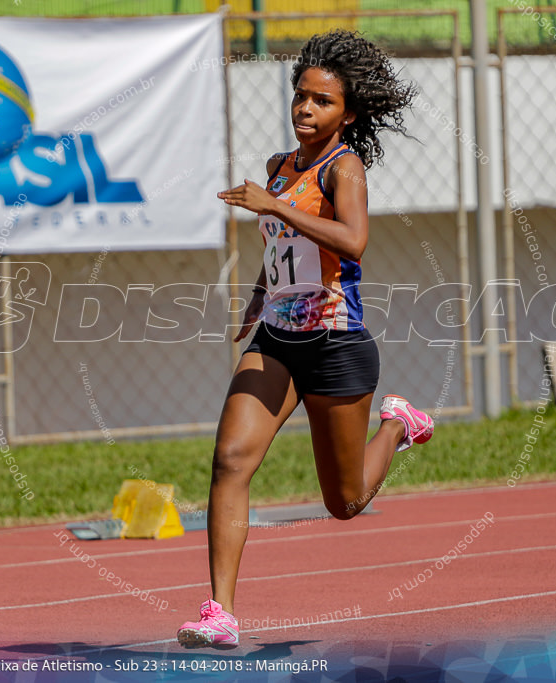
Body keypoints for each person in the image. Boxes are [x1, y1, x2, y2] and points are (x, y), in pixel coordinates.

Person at [177, 29, 431, 648]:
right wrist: (260, 297)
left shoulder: (344, 168)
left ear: (347, 112)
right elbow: (282, 250)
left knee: (344, 503)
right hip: (277, 339)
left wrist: (276, 207)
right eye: (300, 97)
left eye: (321, 101)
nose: (305, 109)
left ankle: (397, 423)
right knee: (230, 461)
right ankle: (221, 613)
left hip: (337, 344)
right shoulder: (277, 168)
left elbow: (351, 241)